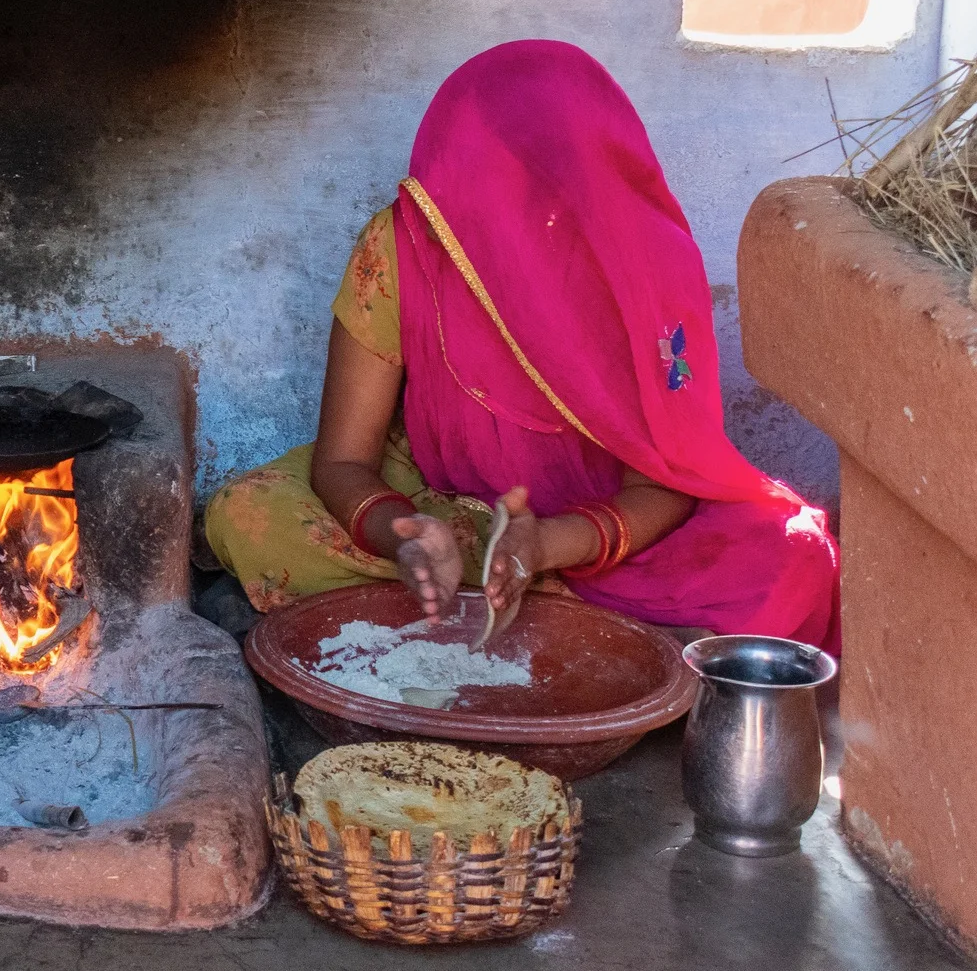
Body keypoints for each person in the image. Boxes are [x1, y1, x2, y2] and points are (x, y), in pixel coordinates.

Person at [203, 40, 838, 650]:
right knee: (249, 513)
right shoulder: (409, 241)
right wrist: (405, 539)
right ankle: (568, 618)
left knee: (792, 558)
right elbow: (344, 461)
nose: (481, 205)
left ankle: (503, 601)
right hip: (439, 498)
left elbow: (667, 481)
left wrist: (548, 544)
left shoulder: (646, 265)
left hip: (596, 525)